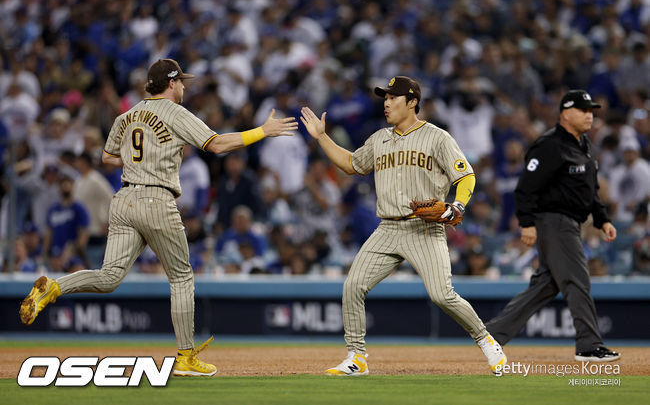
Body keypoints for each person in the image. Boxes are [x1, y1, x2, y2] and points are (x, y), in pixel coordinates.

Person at [19, 58, 298, 376]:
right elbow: (217, 144)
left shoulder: (127, 115)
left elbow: (107, 157)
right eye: (181, 82)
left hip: (124, 200)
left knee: (109, 276)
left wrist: (143, 156)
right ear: (170, 83)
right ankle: (185, 357)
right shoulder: (175, 113)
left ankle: (53, 287)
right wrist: (262, 131)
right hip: (156, 198)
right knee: (181, 277)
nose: (183, 88)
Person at [300, 75, 506, 376]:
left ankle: (487, 341)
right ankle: (356, 357)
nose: (386, 103)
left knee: (441, 295)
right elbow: (351, 164)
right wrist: (322, 137)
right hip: (387, 229)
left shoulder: (438, 137)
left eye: (392, 98)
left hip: (423, 228)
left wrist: (457, 206)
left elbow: (465, 176)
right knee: (353, 286)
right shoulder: (379, 139)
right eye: (384, 98)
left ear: (412, 103)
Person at [485, 90, 620, 362]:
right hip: (554, 221)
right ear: (566, 113)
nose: (589, 115)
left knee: (546, 285)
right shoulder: (549, 145)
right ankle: (588, 345)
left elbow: (589, 191)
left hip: (571, 222)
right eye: (583, 110)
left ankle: (491, 334)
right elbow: (525, 188)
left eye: (591, 110)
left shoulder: (583, 145)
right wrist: (527, 223)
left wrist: (602, 218)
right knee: (577, 279)